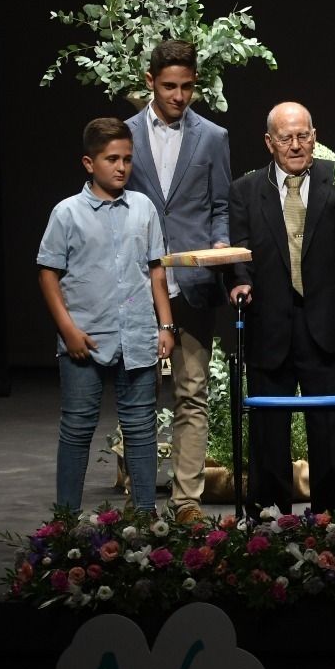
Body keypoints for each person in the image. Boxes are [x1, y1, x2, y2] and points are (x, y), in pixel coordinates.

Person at [228, 103, 335, 515]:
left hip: (324, 321)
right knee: (267, 428)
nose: (296, 146)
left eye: (303, 136)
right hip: (267, 321)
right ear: (269, 142)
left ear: (314, 136)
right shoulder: (245, 189)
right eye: (286, 138)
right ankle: (270, 509)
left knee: (330, 427)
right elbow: (238, 250)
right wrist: (238, 280)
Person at [36, 118, 176, 514]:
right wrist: (68, 330)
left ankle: (148, 517)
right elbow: (49, 273)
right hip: (86, 336)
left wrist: (165, 325)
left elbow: (156, 271)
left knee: (141, 429)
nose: (120, 167)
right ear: (88, 162)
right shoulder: (67, 213)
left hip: (136, 336)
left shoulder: (143, 208)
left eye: (127, 159)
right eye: (111, 158)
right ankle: (65, 522)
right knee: (77, 428)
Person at [125, 38, 231, 523]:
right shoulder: (124, 136)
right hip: (138, 285)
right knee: (139, 395)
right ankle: (142, 500)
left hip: (192, 284)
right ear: (150, 82)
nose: (179, 96)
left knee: (192, 393)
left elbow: (220, 207)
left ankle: (186, 501)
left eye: (188, 87)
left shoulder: (212, 136)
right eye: (169, 86)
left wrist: (215, 253)